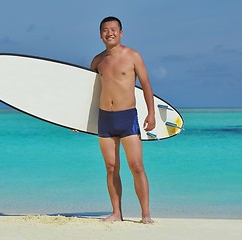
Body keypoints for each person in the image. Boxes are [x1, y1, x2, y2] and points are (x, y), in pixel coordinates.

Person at [90, 16, 155, 224]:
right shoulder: (97, 61)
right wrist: (77, 122)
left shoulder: (133, 56)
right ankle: (116, 213)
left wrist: (151, 113)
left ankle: (145, 214)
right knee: (111, 167)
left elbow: (146, 85)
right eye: (105, 30)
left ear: (121, 32)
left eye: (113, 29)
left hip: (127, 117)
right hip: (104, 119)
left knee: (136, 166)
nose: (110, 33)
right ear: (100, 35)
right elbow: (88, 94)